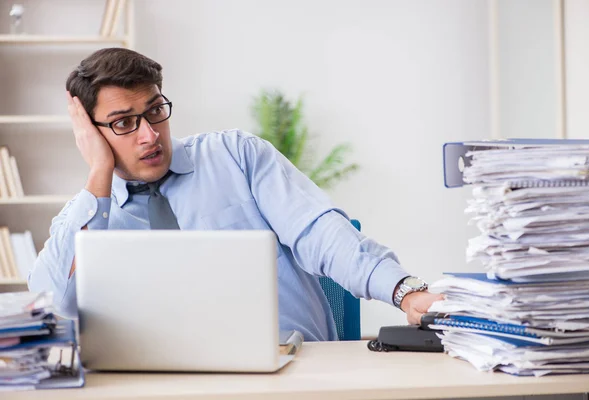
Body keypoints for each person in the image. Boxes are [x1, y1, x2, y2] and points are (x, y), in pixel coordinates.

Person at [28, 48, 442, 341]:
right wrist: (99, 172)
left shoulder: (236, 155)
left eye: (155, 110)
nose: (149, 134)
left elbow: (320, 231)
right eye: (123, 123)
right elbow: (55, 308)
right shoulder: (84, 218)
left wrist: (404, 290)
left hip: (292, 372)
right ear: (91, 135)